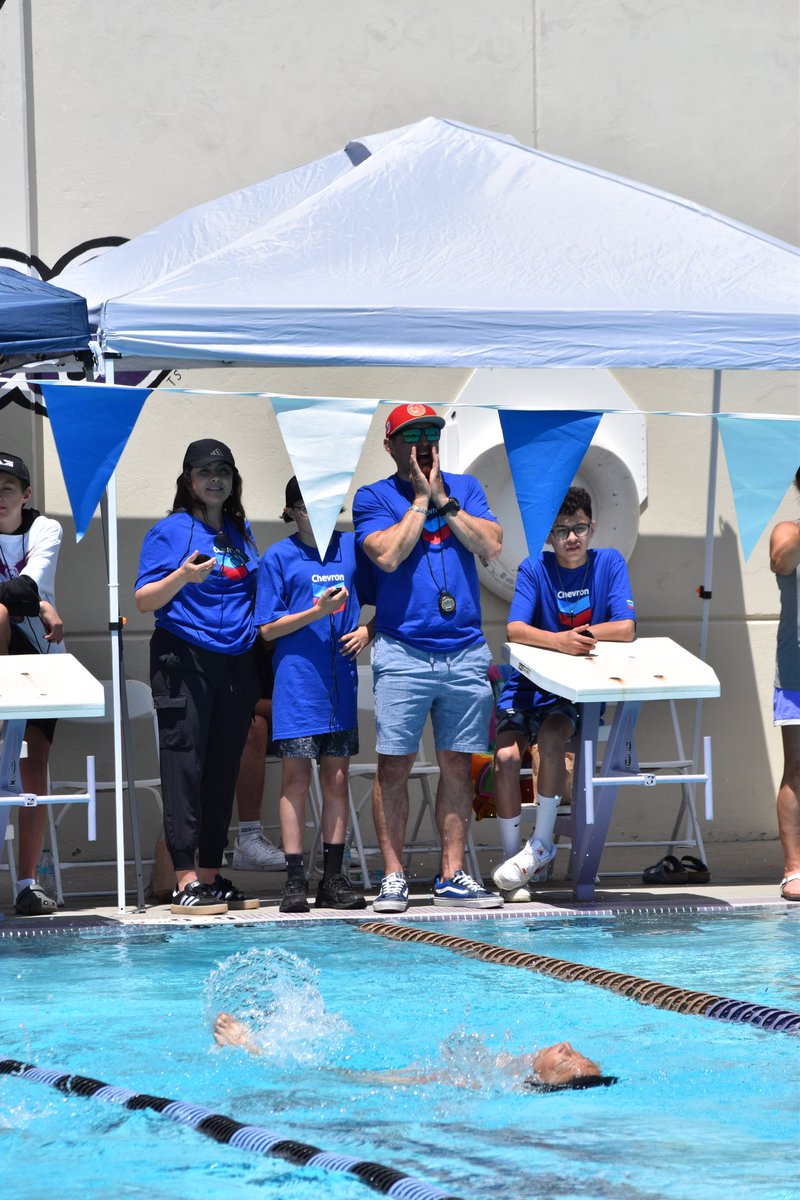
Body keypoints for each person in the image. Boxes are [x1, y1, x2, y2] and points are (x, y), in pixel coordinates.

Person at [352, 402, 504, 913]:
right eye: (411, 436)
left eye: (431, 436)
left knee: (458, 766)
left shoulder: (466, 488)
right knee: (392, 766)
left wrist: (443, 498)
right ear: (391, 445)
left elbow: (492, 547)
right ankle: (394, 876)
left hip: (464, 650)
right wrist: (421, 499)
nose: (423, 445)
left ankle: (452, 875)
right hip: (402, 651)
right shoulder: (373, 497)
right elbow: (388, 555)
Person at [134, 439, 261, 916]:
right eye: (205, 472)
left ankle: (210, 873)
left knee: (223, 766)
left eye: (223, 471)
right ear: (188, 479)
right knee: (185, 766)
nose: (215, 479)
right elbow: (145, 600)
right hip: (183, 658)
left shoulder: (238, 531)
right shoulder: (170, 531)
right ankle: (185, 877)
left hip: (234, 662)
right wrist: (182, 578)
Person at [492, 487, 636, 902]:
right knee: (505, 757)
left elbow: (625, 627)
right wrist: (559, 640)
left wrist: (581, 637)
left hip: (570, 693)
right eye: (561, 531)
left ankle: (540, 846)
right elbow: (515, 630)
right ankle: (513, 864)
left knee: (553, 741)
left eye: (578, 528)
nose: (571, 538)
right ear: (548, 538)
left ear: (592, 527)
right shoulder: (534, 568)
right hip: (525, 688)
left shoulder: (608, 563)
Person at [255, 477, 373, 913]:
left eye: (322, 505)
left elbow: (390, 599)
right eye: (303, 506)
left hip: (340, 681)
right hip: (297, 683)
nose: (313, 514)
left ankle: (334, 876)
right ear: (291, 511)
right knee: (295, 778)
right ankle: (294, 879)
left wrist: (367, 630)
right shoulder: (279, 556)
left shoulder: (354, 549)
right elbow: (266, 629)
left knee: (337, 778)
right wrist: (315, 612)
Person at [212, 1012, 615, 1091]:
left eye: (564, 1057)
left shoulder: (496, 1086)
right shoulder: (512, 1070)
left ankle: (251, 1048)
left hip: (414, 1083)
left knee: (335, 1076)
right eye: (572, 1048)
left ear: (543, 1079)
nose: (564, 1044)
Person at [0, 451, 65, 916]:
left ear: (25, 494)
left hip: (38, 660)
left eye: (6, 488)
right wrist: (38, 605)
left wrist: (35, 603)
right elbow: (22, 599)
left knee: (32, 770)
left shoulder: (46, 529)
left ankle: (27, 883)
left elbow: (27, 587)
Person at [769, 467, 800, 902]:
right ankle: (794, 869)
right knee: (797, 767)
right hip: (797, 665)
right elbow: (782, 560)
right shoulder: (787, 530)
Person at [230, 638, 286, 873]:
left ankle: (336, 839)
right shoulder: (241, 643)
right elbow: (238, 701)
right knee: (255, 726)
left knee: (328, 722)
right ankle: (249, 838)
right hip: (242, 728)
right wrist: (291, 705)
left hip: (289, 723)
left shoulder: (299, 637)